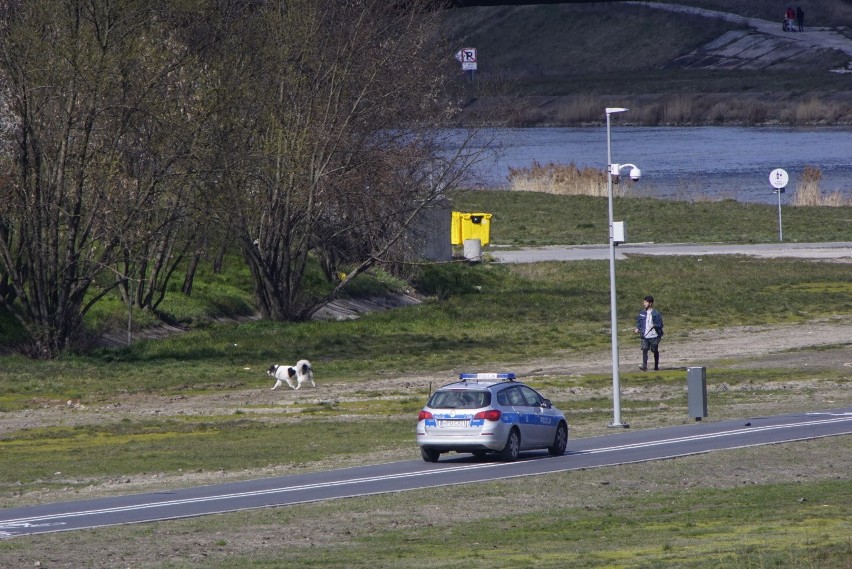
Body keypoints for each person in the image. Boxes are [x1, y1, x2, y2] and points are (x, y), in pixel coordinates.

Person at [634, 295, 663, 371]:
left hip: (654, 336)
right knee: (644, 349)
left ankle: (656, 366)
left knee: (654, 350)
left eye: (645, 302)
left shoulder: (656, 314)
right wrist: (637, 328)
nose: (644, 304)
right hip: (644, 335)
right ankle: (644, 366)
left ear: (650, 303)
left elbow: (660, 325)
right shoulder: (642, 312)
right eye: (644, 302)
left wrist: (655, 325)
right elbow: (639, 322)